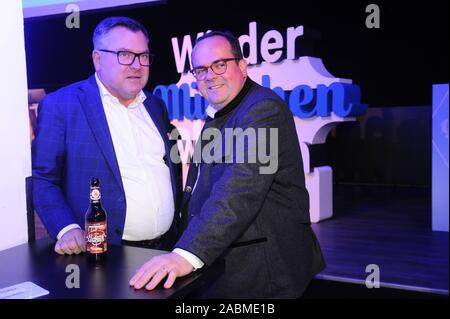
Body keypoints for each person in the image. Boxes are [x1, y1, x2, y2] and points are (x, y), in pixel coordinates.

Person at [129, 31, 325, 298]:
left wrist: (187, 253)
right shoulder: (222, 111)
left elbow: (240, 187)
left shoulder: (263, 109)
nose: (210, 75)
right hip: (232, 263)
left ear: (242, 67)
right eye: (200, 69)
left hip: (266, 270)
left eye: (219, 64)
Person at [32, 16, 182, 255]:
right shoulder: (62, 105)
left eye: (143, 56)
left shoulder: (155, 105)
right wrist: (67, 228)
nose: (137, 65)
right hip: (105, 253)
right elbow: (44, 179)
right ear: (97, 59)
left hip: (167, 251)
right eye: (124, 54)